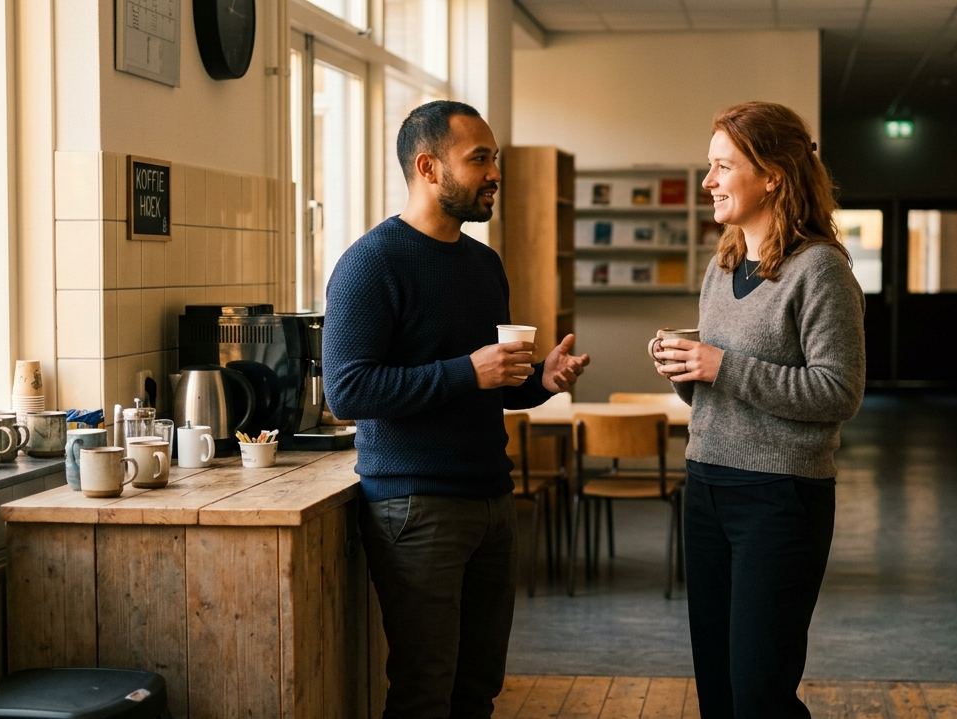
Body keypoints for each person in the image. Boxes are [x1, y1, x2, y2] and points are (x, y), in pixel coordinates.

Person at [323, 100, 589, 719]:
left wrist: (540, 379)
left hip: (493, 499)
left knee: (479, 687)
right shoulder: (370, 264)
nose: (495, 172)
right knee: (425, 690)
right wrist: (468, 370)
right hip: (415, 507)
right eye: (480, 159)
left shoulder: (483, 263)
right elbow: (347, 392)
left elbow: (490, 386)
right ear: (428, 167)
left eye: (494, 158)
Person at [652, 101, 865, 718]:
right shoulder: (723, 266)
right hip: (707, 486)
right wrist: (685, 369)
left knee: (758, 695)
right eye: (708, 166)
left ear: (772, 174)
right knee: (718, 689)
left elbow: (839, 392)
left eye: (722, 166)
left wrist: (721, 365)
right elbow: (718, 395)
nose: (708, 181)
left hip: (781, 498)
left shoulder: (821, 270)